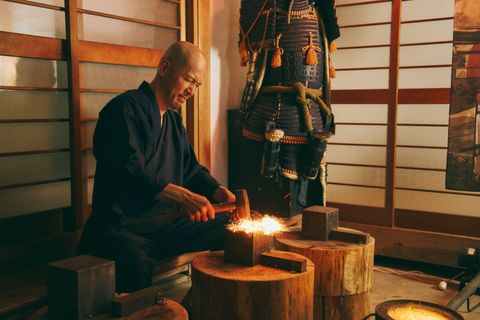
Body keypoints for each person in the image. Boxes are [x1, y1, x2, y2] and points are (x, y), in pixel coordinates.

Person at [76, 41, 236, 294]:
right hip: (123, 227)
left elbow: (191, 170)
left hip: (164, 225)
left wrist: (220, 193)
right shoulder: (123, 109)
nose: (191, 91)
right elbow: (127, 171)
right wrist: (184, 196)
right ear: (164, 68)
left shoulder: (173, 121)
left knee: (231, 228)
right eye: (188, 80)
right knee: (134, 264)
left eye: (197, 85)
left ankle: (199, 304)